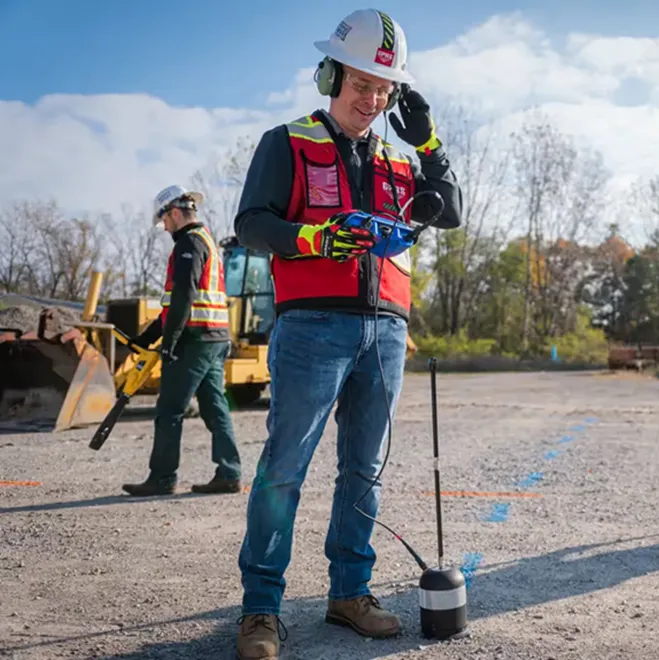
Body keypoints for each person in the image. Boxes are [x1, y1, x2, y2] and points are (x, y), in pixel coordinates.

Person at [231, 8, 463, 657]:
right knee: (284, 471)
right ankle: (260, 609)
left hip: (385, 332)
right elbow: (251, 223)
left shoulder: (398, 157)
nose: (372, 99)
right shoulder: (288, 140)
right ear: (330, 75)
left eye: (384, 89)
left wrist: (428, 142)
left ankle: (349, 593)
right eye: (362, 83)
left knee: (364, 473)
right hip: (311, 327)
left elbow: (451, 211)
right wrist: (313, 237)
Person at [122, 185, 242, 497]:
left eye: (164, 222)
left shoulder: (188, 244)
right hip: (215, 338)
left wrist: (169, 341)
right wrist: (146, 337)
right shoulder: (207, 242)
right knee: (215, 405)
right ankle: (229, 472)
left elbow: (183, 297)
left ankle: (162, 478)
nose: (164, 228)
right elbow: (173, 304)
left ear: (175, 213)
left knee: (169, 409)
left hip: (195, 339)